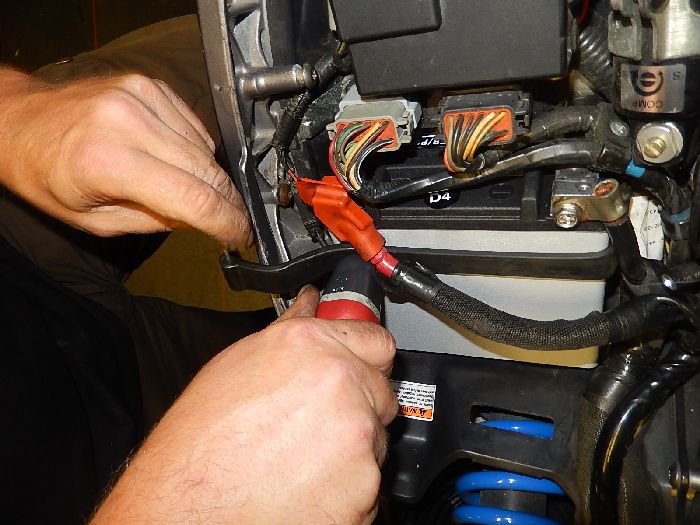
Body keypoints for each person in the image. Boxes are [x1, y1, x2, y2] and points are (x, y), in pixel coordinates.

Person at [0, 15, 397, 524]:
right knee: (336, 394)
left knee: (273, 58)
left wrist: (14, 113)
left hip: (13, 244)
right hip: (97, 472)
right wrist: (189, 504)